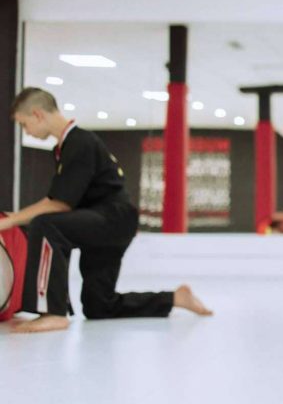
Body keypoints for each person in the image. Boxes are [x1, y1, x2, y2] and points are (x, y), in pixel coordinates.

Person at [0, 88, 212, 333]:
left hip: (112, 219)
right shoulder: (65, 147)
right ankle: (174, 298)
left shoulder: (79, 142)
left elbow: (59, 204)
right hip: (109, 221)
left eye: (25, 124)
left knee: (46, 224)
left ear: (37, 114)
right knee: (99, 306)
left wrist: (9, 221)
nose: (26, 131)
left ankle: (53, 312)